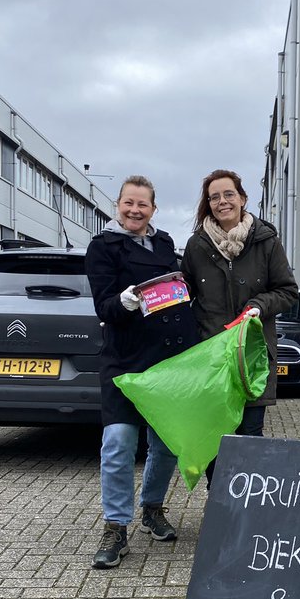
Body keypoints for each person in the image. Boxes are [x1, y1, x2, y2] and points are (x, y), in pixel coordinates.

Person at [85, 175, 199, 568]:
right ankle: (116, 526)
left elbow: (177, 296)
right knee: (118, 442)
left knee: (165, 443)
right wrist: (126, 301)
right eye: (128, 203)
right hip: (123, 358)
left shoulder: (165, 244)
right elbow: (104, 308)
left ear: (153, 208)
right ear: (117, 205)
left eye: (143, 205)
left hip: (167, 359)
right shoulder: (102, 247)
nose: (135, 210)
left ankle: (152, 508)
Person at [181, 169, 298, 477]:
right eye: (214, 197)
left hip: (253, 357)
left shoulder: (266, 241)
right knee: (216, 435)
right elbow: (184, 294)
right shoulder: (197, 246)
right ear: (208, 204)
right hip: (213, 358)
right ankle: (218, 503)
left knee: (249, 436)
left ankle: (247, 506)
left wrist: (259, 305)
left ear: (242, 198)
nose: (222, 201)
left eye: (228, 194)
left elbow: (287, 291)